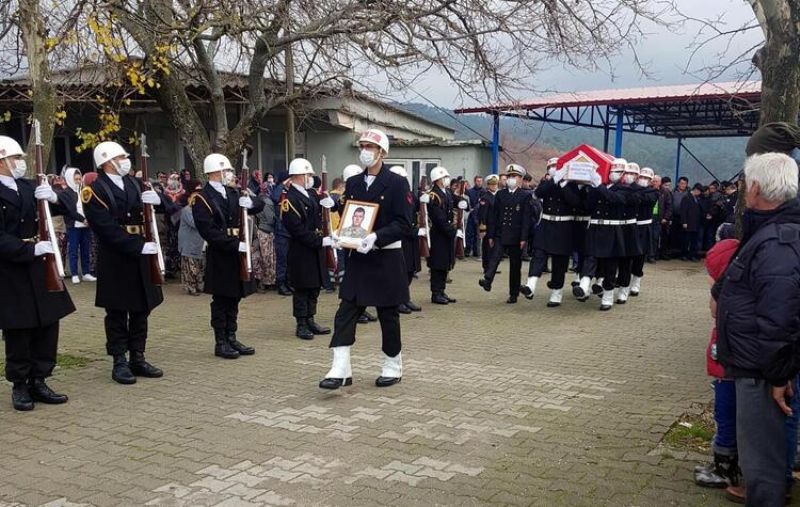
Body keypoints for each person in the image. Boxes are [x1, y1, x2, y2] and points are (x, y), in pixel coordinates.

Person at [715, 151, 800, 507]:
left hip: (762, 371)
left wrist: (779, 376)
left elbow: (780, 316)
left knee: (761, 463)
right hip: (760, 364)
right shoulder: (771, 231)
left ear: (754, 188)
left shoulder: (777, 239)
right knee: (762, 454)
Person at [320, 129, 411, 390]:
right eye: (362, 145)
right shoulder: (355, 183)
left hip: (386, 257)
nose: (365, 150)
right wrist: (341, 234)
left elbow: (404, 223)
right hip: (359, 258)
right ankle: (340, 369)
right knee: (346, 310)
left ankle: (392, 366)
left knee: (388, 315)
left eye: (370, 146)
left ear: (382, 152)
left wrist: (377, 236)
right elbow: (352, 216)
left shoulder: (396, 183)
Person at [82, 141, 171, 384]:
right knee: (118, 311)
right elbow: (104, 227)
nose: (125, 161)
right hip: (116, 257)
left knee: (142, 308)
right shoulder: (95, 189)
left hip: (142, 254)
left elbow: (169, 208)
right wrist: (137, 245)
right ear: (107, 161)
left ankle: (137, 356)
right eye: (121, 157)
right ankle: (119, 360)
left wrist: (158, 200)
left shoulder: (134, 183)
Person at [0, 136, 76, 411]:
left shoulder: (29, 185)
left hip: (40, 264)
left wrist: (55, 196)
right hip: (12, 267)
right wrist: (27, 249)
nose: (21, 163)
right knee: (20, 329)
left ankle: (40, 378)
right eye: (16, 158)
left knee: (47, 324)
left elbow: (69, 205)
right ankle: (20, 384)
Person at [191, 153, 263, 359]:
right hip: (222, 253)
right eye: (227, 171)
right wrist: (235, 244)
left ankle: (232, 336)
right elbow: (208, 231)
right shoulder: (202, 197)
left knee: (235, 297)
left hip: (237, 253)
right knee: (221, 299)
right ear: (215, 172)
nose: (230, 174)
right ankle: (220, 341)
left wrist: (249, 202)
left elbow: (259, 205)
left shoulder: (232, 193)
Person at [280, 158, 334, 340]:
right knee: (302, 288)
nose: (311, 178)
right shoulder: (289, 200)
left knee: (314, 286)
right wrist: (320, 241)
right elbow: (297, 230)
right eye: (308, 175)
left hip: (315, 246)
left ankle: (311, 319)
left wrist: (327, 203)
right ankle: (301, 323)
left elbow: (319, 216)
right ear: (299, 176)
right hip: (302, 250)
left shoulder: (310, 194)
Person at [576, 159, 627, 311]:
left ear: (623, 174)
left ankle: (608, 296)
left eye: (617, 172)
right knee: (590, 257)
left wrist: (598, 186)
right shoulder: (599, 187)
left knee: (610, 265)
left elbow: (614, 199)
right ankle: (584, 285)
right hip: (596, 228)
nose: (613, 174)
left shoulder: (625, 189)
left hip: (612, 230)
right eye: (611, 171)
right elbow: (587, 207)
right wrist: (587, 188)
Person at [521, 160, 573, 307]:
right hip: (546, 224)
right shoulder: (546, 184)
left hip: (564, 226)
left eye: (556, 167)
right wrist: (554, 180)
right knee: (538, 255)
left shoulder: (571, 184)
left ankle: (556, 293)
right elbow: (537, 194)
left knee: (559, 262)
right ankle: (530, 285)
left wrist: (563, 183)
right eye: (550, 167)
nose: (553, 169)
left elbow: (575, 201)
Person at [478, 164, 532, 304]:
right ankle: (487, 280)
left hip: (516, 235)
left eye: (514, 176)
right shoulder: (501, 194)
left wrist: (524, 237)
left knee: (515, 266)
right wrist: (490, 235)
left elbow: (526, 218)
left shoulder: (525, 195)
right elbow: (493, 216)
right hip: (500, 232)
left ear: (520, 179)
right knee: (495, 256)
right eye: (509, 176)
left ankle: (513, 293)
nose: (511, 179)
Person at [390, 165, 423, 314]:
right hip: (401, 237)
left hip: (411, 236)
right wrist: (414, 230)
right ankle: (397, 301)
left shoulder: (407, 194)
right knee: (400, 272)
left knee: (410, 269)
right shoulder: (391, 197)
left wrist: (423, 200)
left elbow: (415, 205)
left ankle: (405, 298)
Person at [427, 166, 459, 305]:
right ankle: (435, 293)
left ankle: (442, 290)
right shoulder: (434, 195)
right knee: (438, 264)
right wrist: (451, 231)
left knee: (446, 263)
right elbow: (438, 217)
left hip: (447, 233)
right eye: (444, 177)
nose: (446, 179)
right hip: (439, 234)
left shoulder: (446, 192)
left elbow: (453, 207)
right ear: (437, 179)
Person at [62, 167, 96, 284]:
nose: (78, 181)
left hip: (86, 225)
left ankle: (86, 273)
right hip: (74, 226)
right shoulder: (66, 193)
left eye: (79, 178)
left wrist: (89, 218)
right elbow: (70, 211)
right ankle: (74, 274)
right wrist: (83, 219)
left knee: (86, 250)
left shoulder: (84, 190)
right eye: (75, 179)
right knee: (73, 250)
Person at [628, 167, 658, 297]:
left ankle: (636, 281)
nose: (643, 180)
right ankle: (624, 280)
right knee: (627, 256)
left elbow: (646, 199)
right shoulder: (631, 189)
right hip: (631, 226)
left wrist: (634, 190)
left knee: (639, 257)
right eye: (642, 177)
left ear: (651, 180)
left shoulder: (653, 192)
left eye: (646, 178)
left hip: (643, 228)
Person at [178, 184, 205, 296]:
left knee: (198, 265)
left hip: (198, 242)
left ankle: (198, 285)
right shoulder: (187, 210)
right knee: (190, 266)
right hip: (188, 242)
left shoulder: (200, 211)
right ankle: (190, 286)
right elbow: (194, 223)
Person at [252, 183, 277, 291]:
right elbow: (271, 218)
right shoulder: (268, 202)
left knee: (266, 258)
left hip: (263, 231)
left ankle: (264, 281)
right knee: (268, 259)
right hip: (267, 232)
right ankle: (267, 281)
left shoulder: (259, 201)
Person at [478, 174, 499, 276]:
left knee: (494, 248)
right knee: (487, 247)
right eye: (492, 185)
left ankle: (492, 267)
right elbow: (482, 214)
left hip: (496, 226)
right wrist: (482, 229)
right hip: (488, 226)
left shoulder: (498, 196)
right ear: (488, 186)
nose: (494, 186)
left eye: (495, 185)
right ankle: (486, 267)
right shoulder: (485, 197)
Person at [680, 183, 703, 261]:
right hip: (688, 222)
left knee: (694, 240)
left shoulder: (696, 198)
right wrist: (684, 222)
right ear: (696, 190)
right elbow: (683, 211)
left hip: (695, 223)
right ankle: (684, 254)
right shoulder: (686, 197)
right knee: (686, 240)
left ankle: (692, 255)